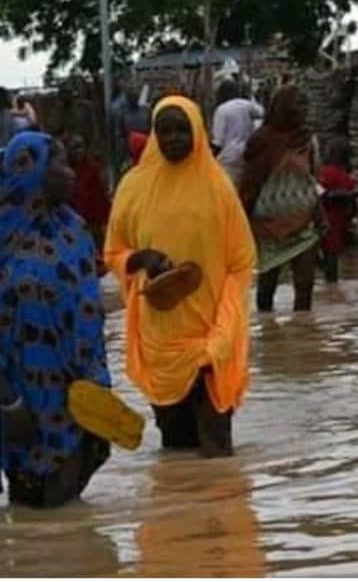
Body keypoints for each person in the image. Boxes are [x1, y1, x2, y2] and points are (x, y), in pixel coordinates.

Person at [0, 132, 113, 507]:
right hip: (23, 398)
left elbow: (90, 309)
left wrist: (98, 388)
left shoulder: (74, 230)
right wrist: (8, 401)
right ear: (32, 171)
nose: (70, 172)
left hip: (78, 389)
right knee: (35, 503)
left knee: (69, 511)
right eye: (58, 163)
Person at [104, 96, 255, 458]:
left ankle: (222, 511)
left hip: (211, 332)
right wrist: (141, 259)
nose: (173, 138)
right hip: (161, 337)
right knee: (175, 451)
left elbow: (241, 261)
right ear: (153, 134)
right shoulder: (133, 188)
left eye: (181, 130)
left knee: (217, 450)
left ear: (199, 132)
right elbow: (113, 252)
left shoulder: (218, 188)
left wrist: (223, 331)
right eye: (164, 130)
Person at [239, 84, 323, 313]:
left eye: (306, 104)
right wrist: (242, 221)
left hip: (305, 224)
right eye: (298, 104)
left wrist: (320, 216)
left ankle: (302, 341)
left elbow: (313, 181)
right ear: (283, 107)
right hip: (268, 226)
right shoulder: (261, 141)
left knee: (305, 287)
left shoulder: (307, 140)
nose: (304, 110)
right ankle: (269, 337)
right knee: (267, 288)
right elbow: (250, 183)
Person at [317, 136, 358, 284]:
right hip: (335, 220)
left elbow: (317, 192)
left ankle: (324, 273)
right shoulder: (345, 176)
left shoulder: (322, 171)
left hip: (317, 217)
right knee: (331, 255)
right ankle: (331, 284)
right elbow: (351, 201)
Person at [62, 132, 111, 255]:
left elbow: (100, 198)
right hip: (72, 226)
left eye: (82, 146)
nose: (80, 151)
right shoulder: (62, 174)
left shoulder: (92, 169)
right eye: (75, 147)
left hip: (93, 225)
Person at [211, 78, 265, 184]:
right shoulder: (247, 105)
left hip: (229, 158)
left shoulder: (221, 110)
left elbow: (218, 141)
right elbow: (263, 113)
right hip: (247, 153)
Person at [110, 77, 152, 171]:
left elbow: (151, 129)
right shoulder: (122, 113)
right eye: (131, 95)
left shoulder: (146, 111)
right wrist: (124, 155)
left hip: (147, 148)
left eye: (135, 95)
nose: (134, 97)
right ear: (127, 98)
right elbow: (119, 135)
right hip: (130, 152)